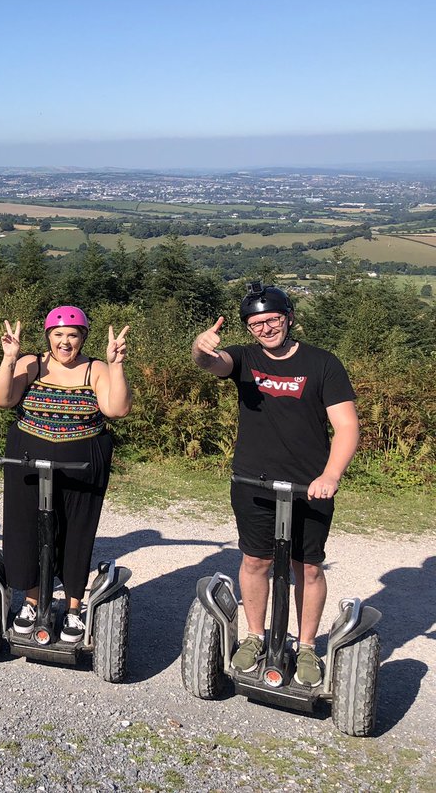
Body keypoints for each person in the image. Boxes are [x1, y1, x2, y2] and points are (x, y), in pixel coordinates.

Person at [191, 281, 358, 687]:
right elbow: (210, 364)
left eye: (272, 320)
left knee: (310, 568)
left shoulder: (323, 364)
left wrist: (330, 475)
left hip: (309, 486)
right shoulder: (244, 359)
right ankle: (253, 636)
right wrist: (200, 348)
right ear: (248, 329)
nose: (265, 329)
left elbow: (347, 425)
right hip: (253, 480)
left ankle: (305, 646)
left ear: (288, 318)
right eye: (256, 324)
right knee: (255, 561)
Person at [0, 307, 131, 641]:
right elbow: (0, 399)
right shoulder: (30, 363)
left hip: (82, 462)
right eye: (58, 334)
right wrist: (9, 358)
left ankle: (73, 608)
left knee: (75, 531)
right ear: (48, 335)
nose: (65, 342)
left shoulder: (95, 368)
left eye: (73, 335)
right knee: (28, 528)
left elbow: (117, 409)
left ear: (83, 337)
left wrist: (117, 365)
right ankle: (32, 601)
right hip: (27, 460)